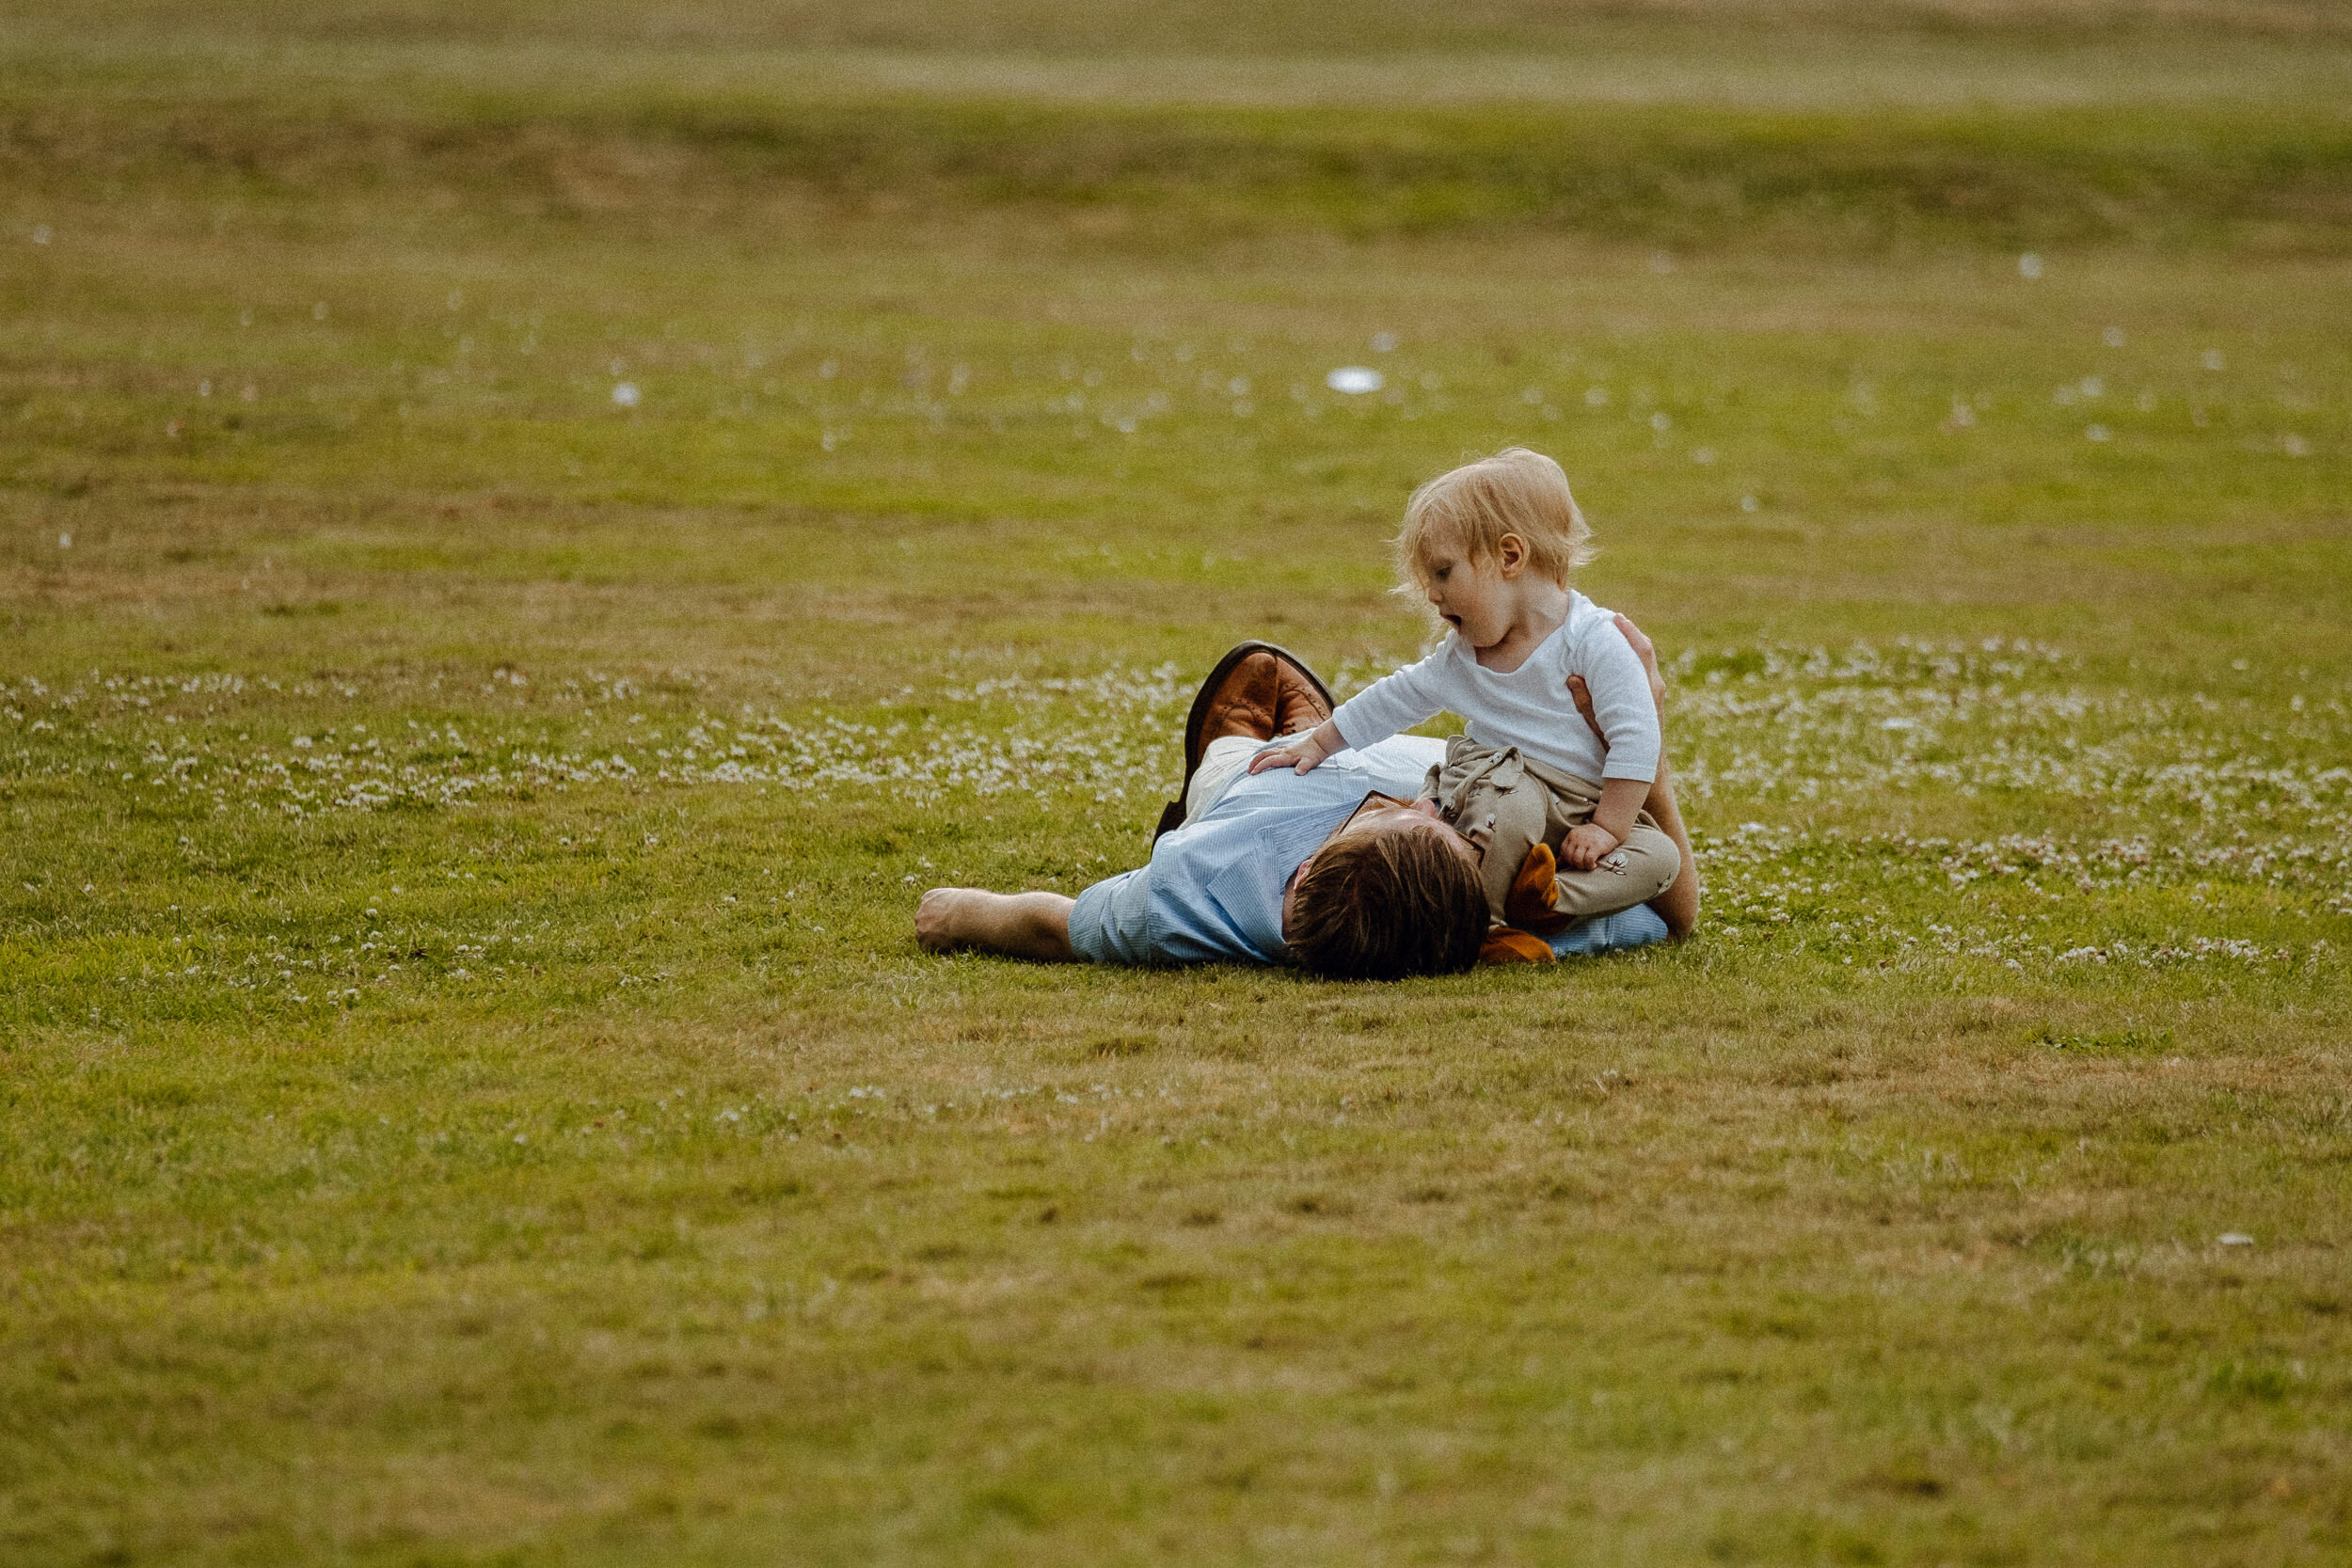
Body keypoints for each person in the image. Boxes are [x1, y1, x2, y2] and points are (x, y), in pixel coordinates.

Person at [914, 628, 1698, 979]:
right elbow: (1676, 912)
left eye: (1414, 819)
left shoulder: (1188, 886)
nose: (1432, 811)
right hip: (1443, 761)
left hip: (1254, 797)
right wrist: (1645, 739)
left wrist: (959, 913)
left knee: (1234, 767)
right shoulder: (1521, 919)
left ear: (1301, 876)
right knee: (1423, 770)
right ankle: (1314, 725)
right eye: (1447, 830)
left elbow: (1057, 925)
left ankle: (1238, 761)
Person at [1248, 448, 1678, 945]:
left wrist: (1608, 828)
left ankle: (1547, 899)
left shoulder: (1595, 641)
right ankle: (1483, 925)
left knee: (1659, 857)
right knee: (1511, 807)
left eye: (1443, 572)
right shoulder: (1462, 656)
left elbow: (1638, 739)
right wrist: (1320, 742)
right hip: (1499, 785)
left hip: (1583, 810)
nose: (1432, 594)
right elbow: (1400, 695)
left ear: (1509, 557)